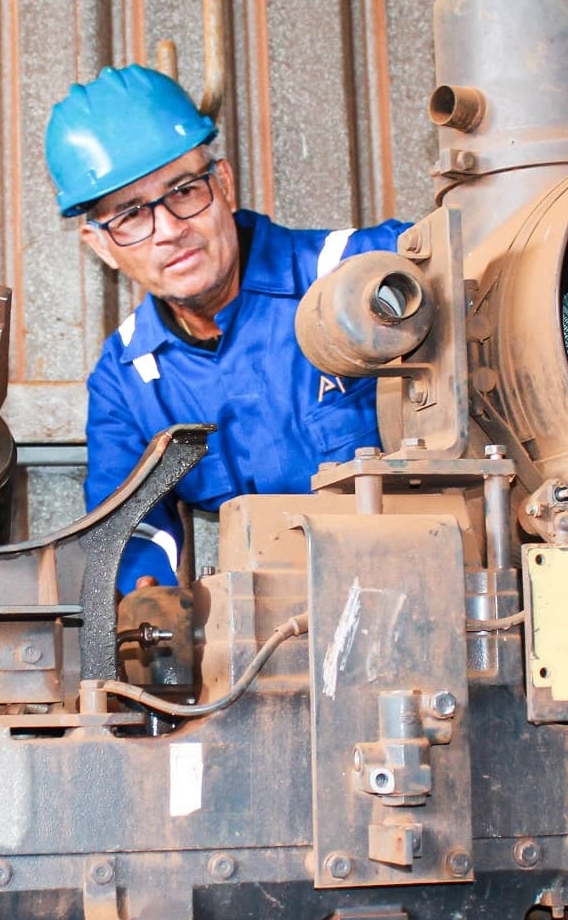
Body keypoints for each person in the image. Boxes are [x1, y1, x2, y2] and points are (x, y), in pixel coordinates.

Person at [49, 64, 410, 594]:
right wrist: (151, 604)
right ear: (100, 246)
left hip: (426, 589)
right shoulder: (128, 380)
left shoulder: (350, 272)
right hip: (266, 642)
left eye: (184, 191)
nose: (170, 230)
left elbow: (498, 271)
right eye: (129, 216)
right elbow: (131, 536)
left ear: (223, 184)